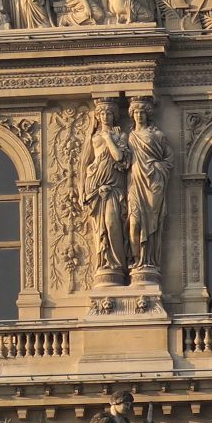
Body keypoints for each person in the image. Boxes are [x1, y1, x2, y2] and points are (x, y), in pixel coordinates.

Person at [76, 94, 132, 284]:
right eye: (102, 113)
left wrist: (108, 138)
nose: (105, 116)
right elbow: (86, 162)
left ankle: (117, 265)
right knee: (100, 228)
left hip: (115, 186)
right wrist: (83, 190)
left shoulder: (120, 135)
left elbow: (118, 157)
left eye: (109, 113)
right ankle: (105, 264)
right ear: (97, 116)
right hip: (96, 187)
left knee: (113, 224)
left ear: (115, 115)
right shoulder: (93, 136)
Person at [125, 95, 171, 284]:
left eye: (143, 112)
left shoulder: (158, 136)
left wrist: (158, 169)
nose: (139, 115)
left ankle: (148, 261)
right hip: (134, 183)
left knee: (152, 225)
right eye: (136, 112)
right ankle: (136, 260)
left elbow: (169, 160)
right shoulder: (128, 136)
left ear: (148, 114)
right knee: (134, 223)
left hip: (153, 183)